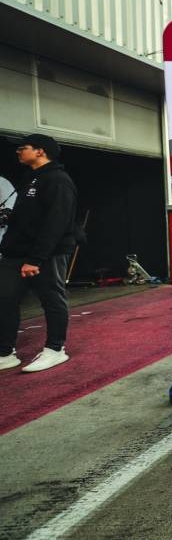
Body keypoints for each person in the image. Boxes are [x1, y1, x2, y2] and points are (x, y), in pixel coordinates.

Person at [0, 135, 78, 373]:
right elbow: (27, 218)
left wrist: (36, 259)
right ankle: (5, 353)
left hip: (47, 254)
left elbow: (56, 223)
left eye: (23, 148)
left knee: (51, 299)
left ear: (40, 151)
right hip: (15, 253)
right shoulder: (29, 179)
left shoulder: (58, 180)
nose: (18, 152)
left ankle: (55, 350)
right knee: (4, 299)